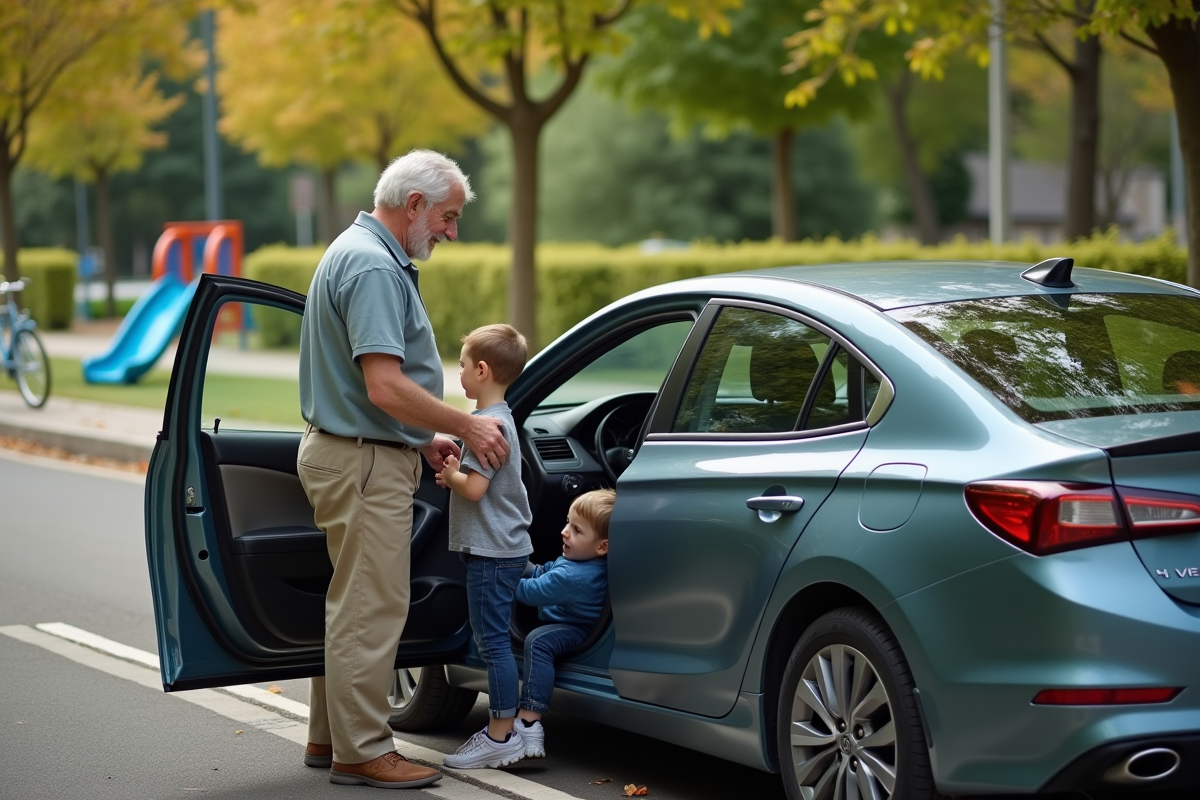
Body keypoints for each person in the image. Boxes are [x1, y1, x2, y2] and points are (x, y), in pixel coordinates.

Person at [297, 149, 510, 790]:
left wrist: (419, 442)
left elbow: (371, 393)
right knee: (372, 606)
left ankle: (329, 737)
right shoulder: (373, 268)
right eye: (446, 217)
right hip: (361, 464)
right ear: (413, 204)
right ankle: (362, 751)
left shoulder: (357, 252)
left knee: (350, 601)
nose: (450, 232)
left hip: (354, 452)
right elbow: (385, 386)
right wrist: (464, 424)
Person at [435, 324, 534, 769]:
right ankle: (511, 729)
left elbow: (474, 490)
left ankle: (500, 735)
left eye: (461, 365)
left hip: (491, 556)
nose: (458, 372)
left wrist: (449, 476)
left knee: (493, 644)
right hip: (506, 551)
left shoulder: (485, 428)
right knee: (498, 641)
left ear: (481, 369)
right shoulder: (505, 422)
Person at [513, 489, 614, 759]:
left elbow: (529, 593)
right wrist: (519, 562)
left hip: (576, 628)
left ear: (602, 546)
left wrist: (497, 577)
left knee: (539, 641)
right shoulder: (586, 562)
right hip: (583, 619)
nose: (565, 532)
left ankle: (529, 721)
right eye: (568, 522)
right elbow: (547, 570)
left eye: (577, 530)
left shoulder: (572, 577)